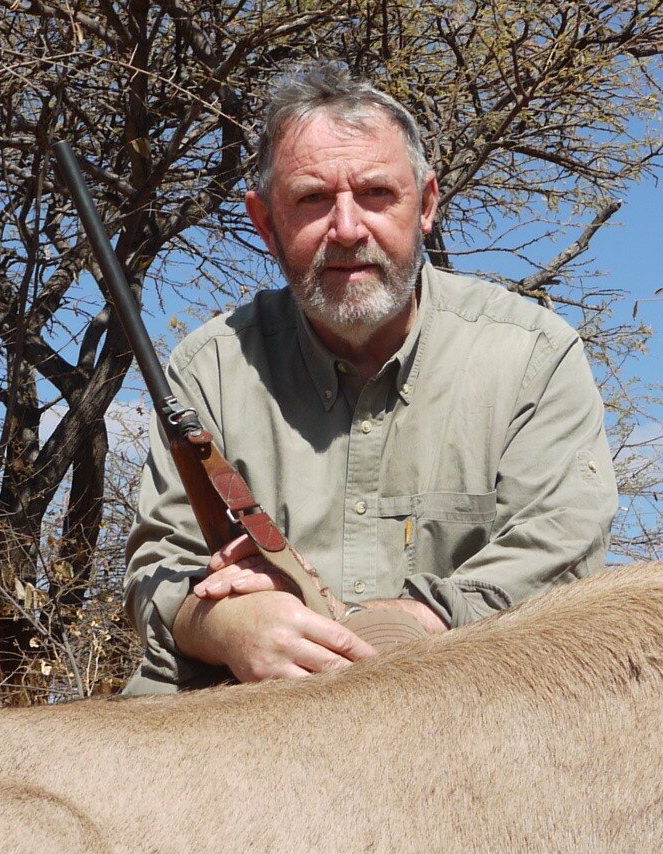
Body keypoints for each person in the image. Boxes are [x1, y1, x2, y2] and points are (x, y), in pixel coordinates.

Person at [122, 62, 615, 693]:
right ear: (266, 224)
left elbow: (562, 551)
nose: (348, 229)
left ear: (427, 204)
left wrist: (408, 634)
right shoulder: (209, 368)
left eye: (377, 194)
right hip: (250, 722)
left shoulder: (534, 357)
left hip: (469, 704)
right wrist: (227, 625)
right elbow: (159, 568)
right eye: (312, 200)